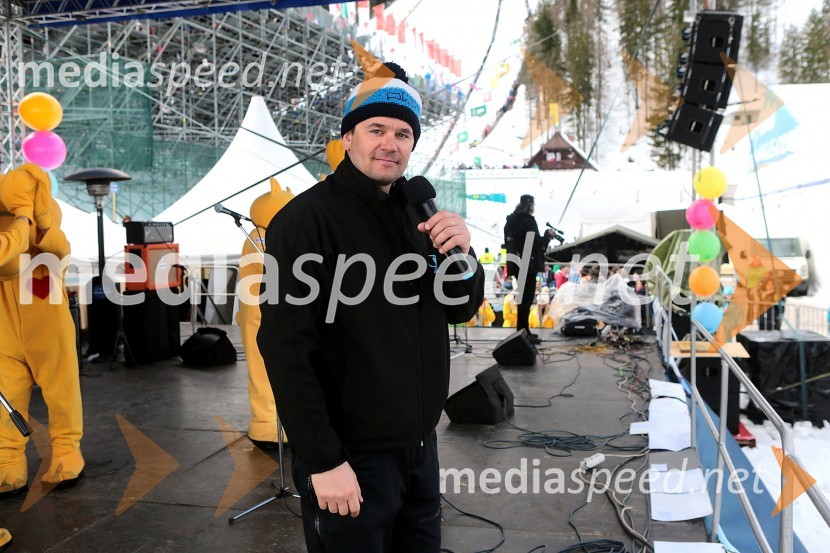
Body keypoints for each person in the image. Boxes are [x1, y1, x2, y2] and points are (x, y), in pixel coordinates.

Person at [258, 61, 484, 553]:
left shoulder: (419, 215)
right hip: (350, 459)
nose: (391, 143)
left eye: (403, 134)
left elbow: (461, 308)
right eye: (376, 129)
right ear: (347, 139)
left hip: (419, 446)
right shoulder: (305, 221)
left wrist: (462, 256)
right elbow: (285, 349)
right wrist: (322, 461)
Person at [0, 164, 84, 496]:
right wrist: (22, 218)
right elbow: (7, 262)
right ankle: (8, 459)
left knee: (61, 391)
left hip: (45, 316)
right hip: (5, 322)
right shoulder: (15, 225)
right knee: (7, 396)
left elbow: (60, 249)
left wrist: (38, 222)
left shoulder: (48, 217)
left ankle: (66, 451)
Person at [236, 177, 294, 449]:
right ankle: (270, 427)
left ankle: (265, 424)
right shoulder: (265, 237)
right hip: (265, 314)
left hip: (255, 314)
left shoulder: (257, 236)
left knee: (262, 374)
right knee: (272, 372)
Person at [503, 194, 557, 343]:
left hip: (516, 265)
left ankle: (522, 331)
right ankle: (524, 332)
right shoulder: (528, 221)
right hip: (528, 266)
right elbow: (536, 244)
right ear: (531, 206)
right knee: (526, 300)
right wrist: (547, 236)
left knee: (522, 300)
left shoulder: (511, 221)